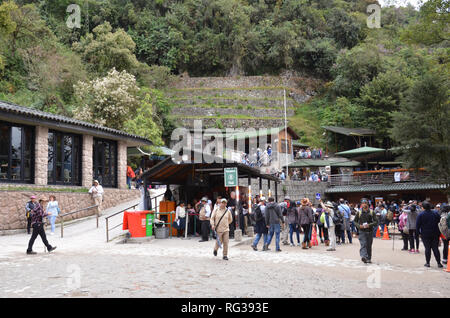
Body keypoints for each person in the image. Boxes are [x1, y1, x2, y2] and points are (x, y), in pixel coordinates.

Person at [416, 201, 443, 268]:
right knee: (435, 248)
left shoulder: (421, 215)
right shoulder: (435, 213)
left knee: (427, 248)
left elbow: (417, 225)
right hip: (435, 233)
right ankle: (439, 263)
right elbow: (440, 222)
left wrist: (418, 233)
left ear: (423, 207)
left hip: (425, 234)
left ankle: (427, 263)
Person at [354, 199, 378, 264]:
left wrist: (369, 225)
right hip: (362, 231)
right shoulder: (359, 212)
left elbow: (376, 222)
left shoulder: (372, 212)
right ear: (361, 204)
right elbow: (354, 221)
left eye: (365, 203)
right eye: (362, 203)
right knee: (363, 244)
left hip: (370, 231)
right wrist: (359, 226)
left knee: (369, 245)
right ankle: (363, 256)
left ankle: (369, 258)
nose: (364, 204)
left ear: (367, 204)